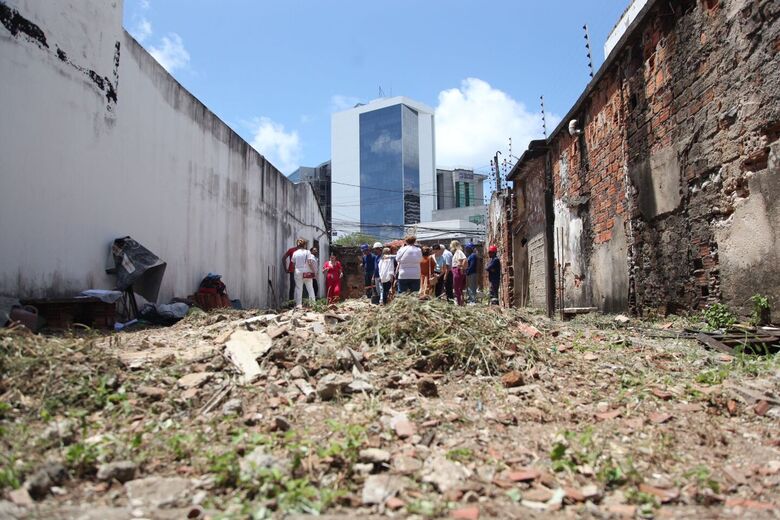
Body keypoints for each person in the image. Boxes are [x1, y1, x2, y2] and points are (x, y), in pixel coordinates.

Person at [292, 238, 317, 308]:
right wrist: (313, 271)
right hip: (307, 272)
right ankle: (313, 304)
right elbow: (309, 262)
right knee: (310, 288)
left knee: (299, 288)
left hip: (298, 272)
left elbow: (293, 264)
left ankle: (298, 305)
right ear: (305, 245)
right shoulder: (307, 252)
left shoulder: (295, 253)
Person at [451, 240, 467, 306]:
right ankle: (460, 301)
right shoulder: (457, 252)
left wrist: (461, 268)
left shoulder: (458, 252)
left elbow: (464, 259)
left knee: (457, 288)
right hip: (456, 270)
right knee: (459, 288)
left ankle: (459, 302)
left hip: (457, 270)